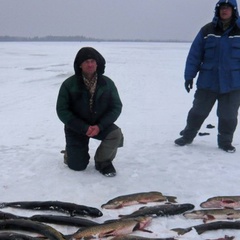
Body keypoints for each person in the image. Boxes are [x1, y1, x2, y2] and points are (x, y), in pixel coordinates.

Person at [175, 0, 240, 153]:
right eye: (221, 8)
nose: (224, 11)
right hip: (208, 82)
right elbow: (195, 55)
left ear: (234, 10)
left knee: (228, 116)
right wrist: (189, 76)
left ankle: (225, 142)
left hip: (233, 84)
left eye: (227, 8)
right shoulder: (207, 30)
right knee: (197, 112)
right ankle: (188, 136)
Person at [56, 47, 123, 177]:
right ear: (80, 65)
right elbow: (62, 110)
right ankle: (70, 153)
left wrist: (100, 126)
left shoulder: (107, 83)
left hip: (99, 125)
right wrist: (82, 127)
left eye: (92, 61)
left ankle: (102, 161)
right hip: (76, 127)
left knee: (116, 133)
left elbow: (116, 107)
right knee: (77, 166)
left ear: (97, 63)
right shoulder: (69, 84)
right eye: (86, 61)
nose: (90, 64)